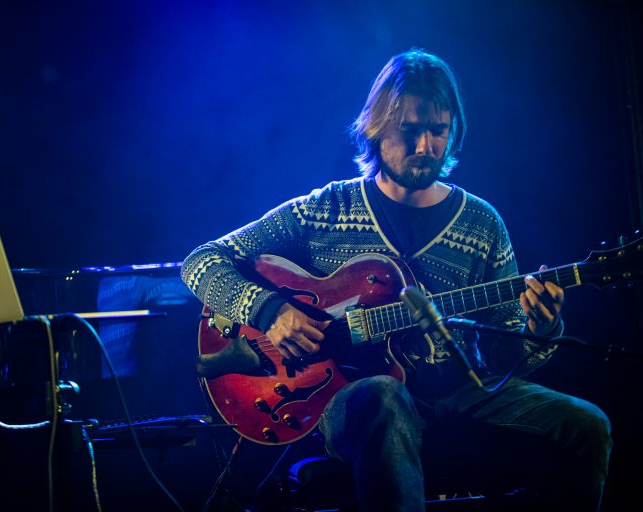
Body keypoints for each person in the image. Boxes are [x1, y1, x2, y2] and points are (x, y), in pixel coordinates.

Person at [181, 48, 612, 511]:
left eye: (438, 130)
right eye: (410, 131)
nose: (426, 146)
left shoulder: (481, 225)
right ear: (376, 128)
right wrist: (270, 311)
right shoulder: (327, 209)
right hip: (352, 399)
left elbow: (505, 355)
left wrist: (540, 327)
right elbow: (201, 262)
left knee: (586, 425)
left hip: (458, 395)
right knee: (383, 395)